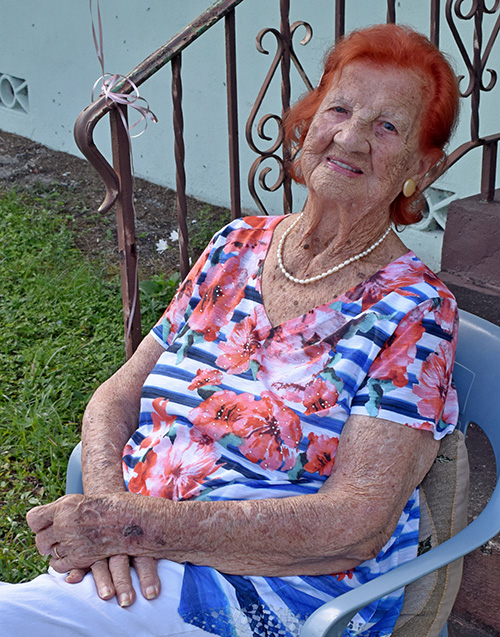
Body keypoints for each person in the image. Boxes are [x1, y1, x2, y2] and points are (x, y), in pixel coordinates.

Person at [0, 23, 460, 637]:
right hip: (140, 564)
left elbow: (356, 524)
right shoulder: (236, 244)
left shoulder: (415, 310)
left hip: (272, 595)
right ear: (307, 121)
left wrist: (136, 527)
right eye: (340, 109)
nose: (349, 138)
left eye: (386, 127)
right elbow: (120, 391)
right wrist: (108, 519)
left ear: (421, 169)